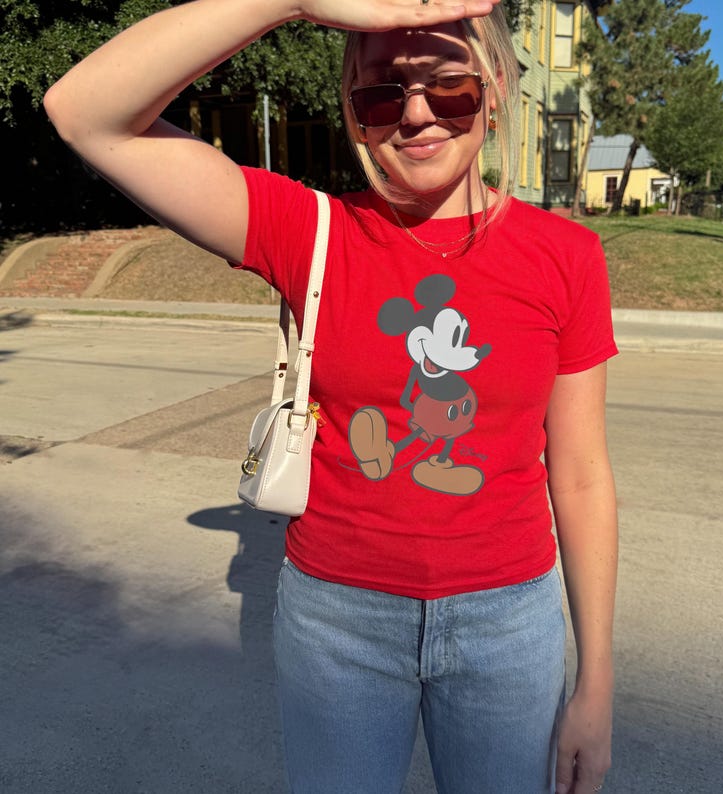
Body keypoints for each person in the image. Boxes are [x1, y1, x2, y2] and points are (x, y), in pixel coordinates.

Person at [44, 1, 618, 792]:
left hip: (508, 624)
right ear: (353, 111)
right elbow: (83, 113)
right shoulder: (308, 230)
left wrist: (596, 683)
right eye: (382, 95)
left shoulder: (567, 257)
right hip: (340, 621)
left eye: (446, 89)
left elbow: (582, 476)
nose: (415, 115)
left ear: (492, 92)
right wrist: (290, 0)